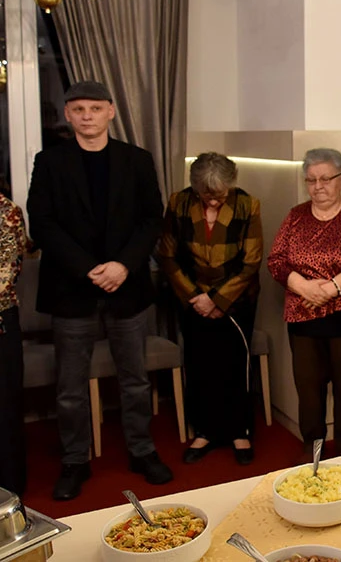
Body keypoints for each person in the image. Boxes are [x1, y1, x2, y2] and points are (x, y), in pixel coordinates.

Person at [27, 80, 172, 500]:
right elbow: (43, 224)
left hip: (126, 286)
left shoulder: (137, 160)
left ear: (110, 111)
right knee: (70, 386)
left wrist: (123, 265)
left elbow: (151, 219)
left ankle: (142, 451)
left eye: (95, 108)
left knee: (135, 379)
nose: (87, 115)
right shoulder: (49, 162)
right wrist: (90, 268)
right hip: (73, 288)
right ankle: (75, 459)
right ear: (68, 115)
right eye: (78, 109)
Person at [268, 149, 341, 457]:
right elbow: (276, 260)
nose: (318, 186)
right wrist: (303, 286)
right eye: (311, 180)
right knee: (309, 392)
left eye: (325, 179)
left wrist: (332, 288)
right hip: (302, 317)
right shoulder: (295, 216)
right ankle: (313, 453)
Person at [156, 153, 263, 465]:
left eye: (221, 195)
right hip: (191, 299)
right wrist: (196, 297)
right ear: (195, 189)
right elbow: (167, 255)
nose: (215, 202)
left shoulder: (248, 204)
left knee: (234, 366)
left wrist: (217, 300)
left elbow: (251, 260)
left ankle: (239, 431)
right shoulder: (178, 203)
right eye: (208, 196)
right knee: (201, 364)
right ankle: (204, 430)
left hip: (237, 299)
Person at [0, 196, 27, 495]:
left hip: (2, 321)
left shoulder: (6, 212)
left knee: (4, 411)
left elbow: (7, 273)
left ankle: (10, 493)